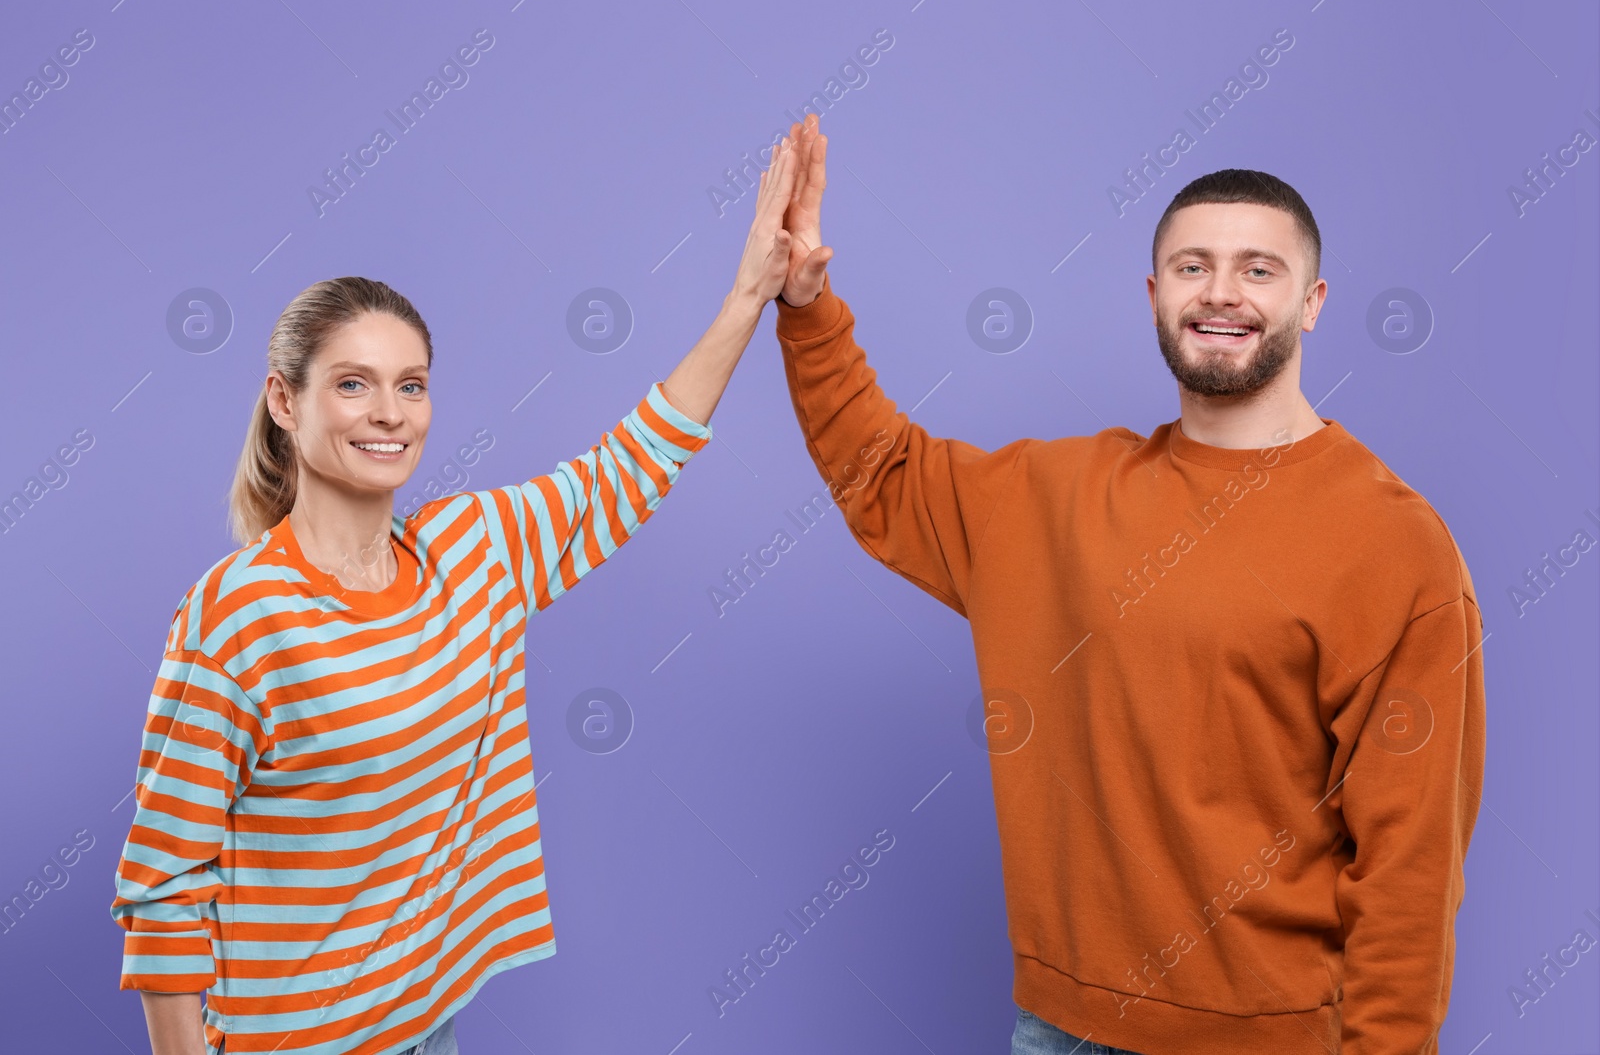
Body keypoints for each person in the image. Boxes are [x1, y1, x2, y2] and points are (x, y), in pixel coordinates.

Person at [771, 114, 1485, 1055]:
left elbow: (1410, 865)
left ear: (1312, 302)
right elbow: (884, 472)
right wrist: (807, 303)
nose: (1220, 293)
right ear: (1155, 294)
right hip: (1059, 1030)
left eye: (1257, 270)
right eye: (1193, 267)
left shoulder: (1395, 544)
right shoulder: (1051, 498)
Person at [108, 135, 804, 1055]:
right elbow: (163, 882)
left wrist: (751, 293)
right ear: (285, 400)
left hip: (430, 1024)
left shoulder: (475, 552)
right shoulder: (238, 616)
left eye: (411, 385)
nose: (389, 413)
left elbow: (638, 456)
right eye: (352, 385)